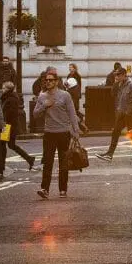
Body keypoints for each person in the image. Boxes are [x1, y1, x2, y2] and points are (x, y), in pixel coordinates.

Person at [33, 69, 80, 199]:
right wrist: (44, 106)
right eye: (46, 80)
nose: (48, 82)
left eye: (51, 80)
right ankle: (45, 189)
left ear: (56, 81)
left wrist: (76, 131)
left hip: (64, 133)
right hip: (49, 133)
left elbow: (72, 113)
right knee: (47, 162)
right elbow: (35, 114)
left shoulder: (65, 95)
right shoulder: (42, 96)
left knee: (63, 163)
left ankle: (63, 189)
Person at [95, 68, 132, 162]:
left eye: (118, 75)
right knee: (116, 132)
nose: (116, 76)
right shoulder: (119, 84)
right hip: (121, 112)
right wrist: (115, 83)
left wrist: (129, 112)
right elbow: (113, 94)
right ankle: (110, 154)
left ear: (124, 75)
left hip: (128, 114)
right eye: (115, 75)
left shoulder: (131, 85)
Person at [1, 81, 35, 170]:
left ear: (8, 89)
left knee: (4, 145)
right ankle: (29, 159)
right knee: (10, 145)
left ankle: (2, 165)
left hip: (8, 126)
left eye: (4, 88)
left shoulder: (10, 99)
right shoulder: (8, 98)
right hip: (8, 125)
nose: (2, 89)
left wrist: (4, 124)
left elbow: (8, 114)